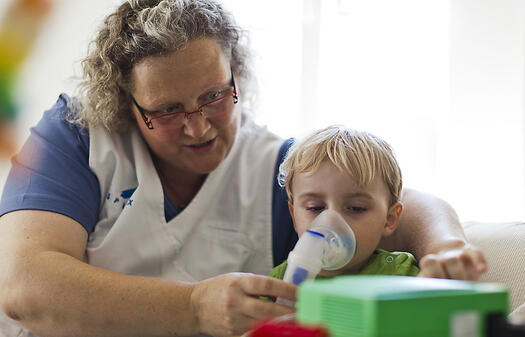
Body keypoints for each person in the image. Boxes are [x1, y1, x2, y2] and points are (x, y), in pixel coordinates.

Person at [0, 1, 486, 336]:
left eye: (214, 96)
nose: (198, 128)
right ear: (127, 105)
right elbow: (24, 286)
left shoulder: (273, 165)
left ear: (237, 76)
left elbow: (394, 202)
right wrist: (193, 307)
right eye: (168, 110)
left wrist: (445, 245)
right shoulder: (78, 135)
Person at [270, 126, 419, 281]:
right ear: (294, 217)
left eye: (356, 208)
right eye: (315, 208)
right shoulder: (281, 281)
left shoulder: (399, 274)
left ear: (389, 219)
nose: (331, 223)